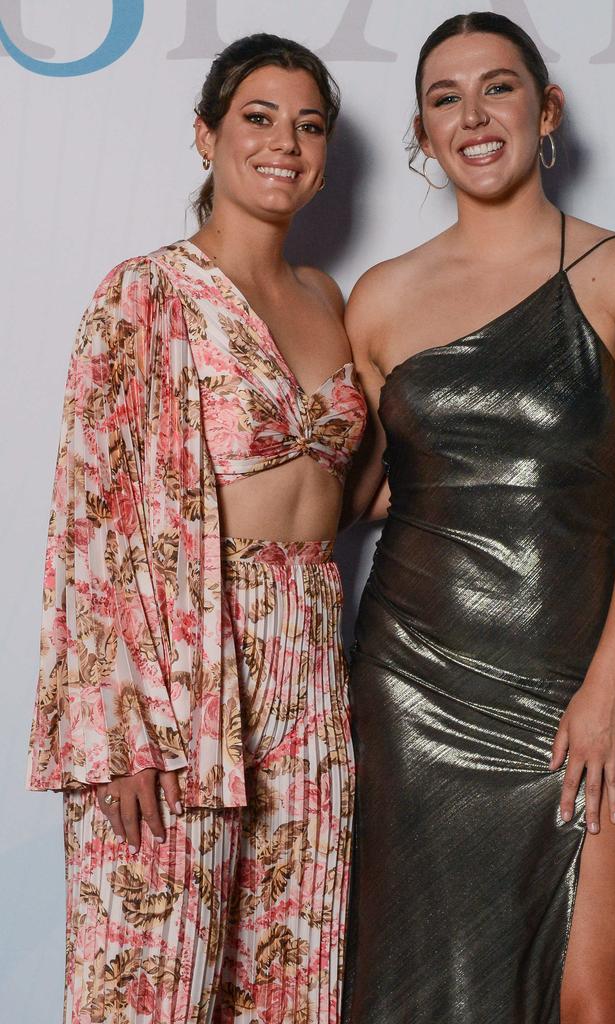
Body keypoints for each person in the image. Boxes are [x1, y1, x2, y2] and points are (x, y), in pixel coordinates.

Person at [340, 11, 615, 1024]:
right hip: (409, 694)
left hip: (571, 692)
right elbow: (355, 493)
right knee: (410, 997)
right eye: (445, 98)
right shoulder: (379, 298)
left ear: (546, 110)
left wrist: (609, 688)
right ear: (421, 132)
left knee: (592, 1005)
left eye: (497, 87)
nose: (473, 114)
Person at [26, 33, 367, 1024]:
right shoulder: (149, 291)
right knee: (153, 981)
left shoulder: (330, 301)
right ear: (206, 134)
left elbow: (344, 488)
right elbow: (96, 512)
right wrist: (119, 732)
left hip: (307, 662)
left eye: (309, 125)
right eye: (259, 117)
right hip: (181, 672)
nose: (285, 143)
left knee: (287, 979)